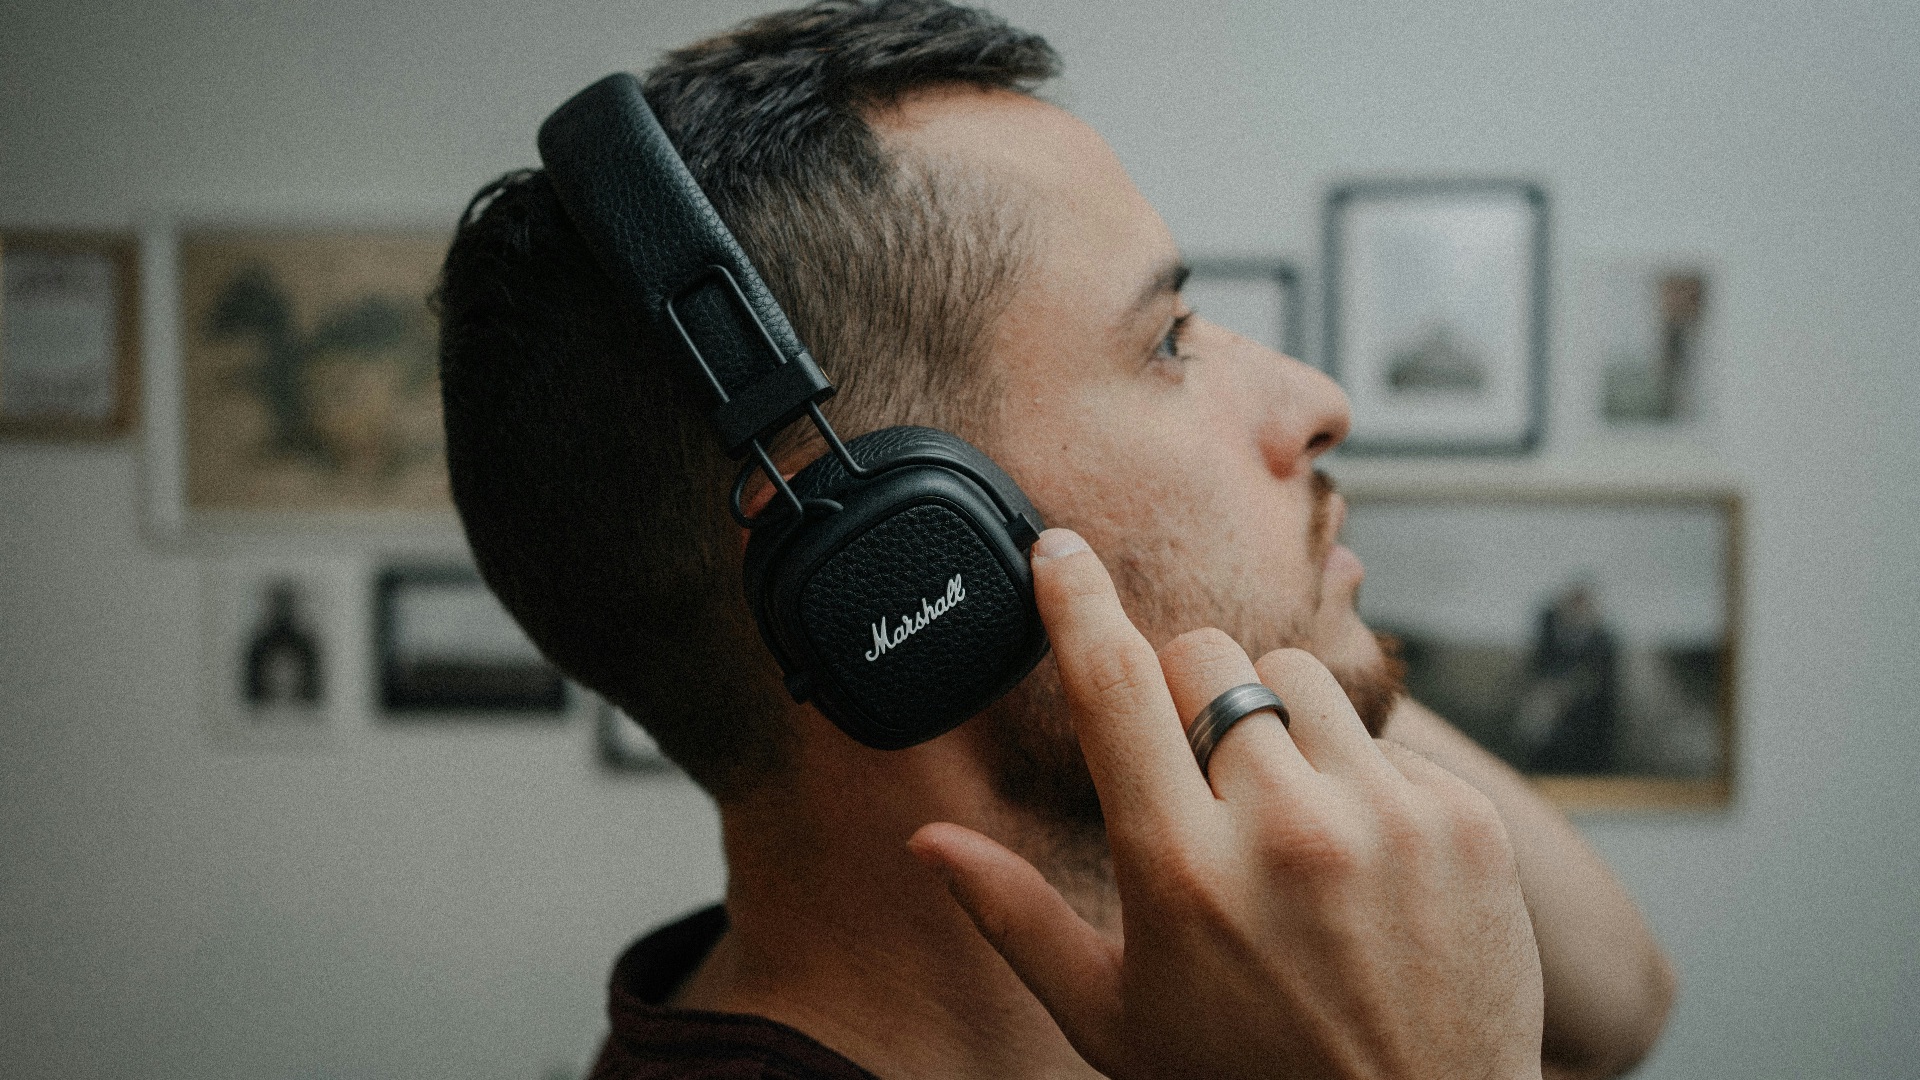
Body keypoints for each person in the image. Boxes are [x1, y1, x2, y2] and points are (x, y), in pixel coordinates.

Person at [436, 2, 1675, 1076]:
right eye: (1169, 340)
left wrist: (1281, 623)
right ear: (902, 562)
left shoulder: (1230, 1016)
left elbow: (1613, 1009)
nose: (1317, 400)